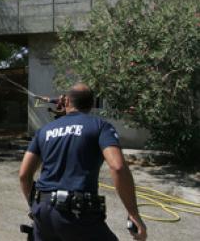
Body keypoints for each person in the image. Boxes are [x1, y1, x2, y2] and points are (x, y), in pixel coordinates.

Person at [19, 83, 147, 241]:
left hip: (43, 212)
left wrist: (34, 205)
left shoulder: (44, 131)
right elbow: (118, 167)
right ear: (91, 104)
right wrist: (133, 214)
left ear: (66, 102)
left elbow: (24, 175)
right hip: (77, 215)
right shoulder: (100, 127)